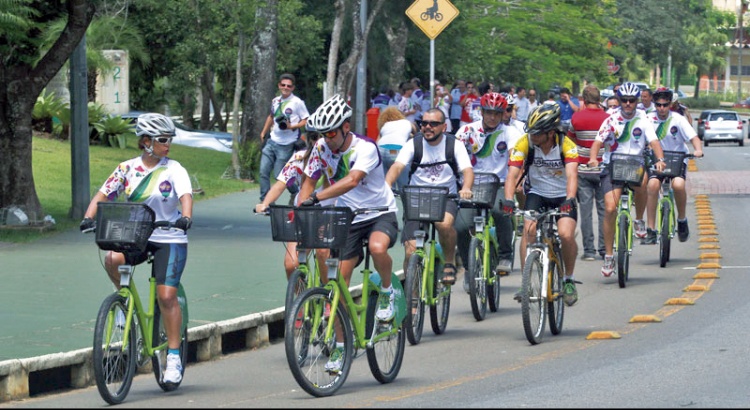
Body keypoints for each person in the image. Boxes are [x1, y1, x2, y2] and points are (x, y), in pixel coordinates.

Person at [79, 113, 193, 385]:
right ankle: (123, 302)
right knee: (112, 257)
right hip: (137, 236)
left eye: (169, 139)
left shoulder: (174, 169)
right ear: (146, 142)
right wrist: (88, 217)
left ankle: (174, 357)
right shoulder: (127, 168)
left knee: (167, 297)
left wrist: (185, 217)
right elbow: (104, 193)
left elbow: (185, 196)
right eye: (163, 140)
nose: (168, 144)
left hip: (170, 237)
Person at [298, 95, 400, 372]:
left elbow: (352, 180)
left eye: (331, 132)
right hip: (349, 219)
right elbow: (309, 181)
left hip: (379, 212)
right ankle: (342, 347)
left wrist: (317, 198)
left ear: (345, 127)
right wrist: (300, 214)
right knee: (336, 286)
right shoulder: (321, 148)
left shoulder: (364, 147)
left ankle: (389, 292)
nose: (327, 139)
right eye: (322, 134)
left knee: (378, 248)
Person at [502, 103, 581, 306]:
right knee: (528, 230)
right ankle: (526, 282)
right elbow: (511, 175)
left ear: (550, 132)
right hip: (537, 193)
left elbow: (572, 176)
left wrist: (570, 199)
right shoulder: (524, 143)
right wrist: (509, 200)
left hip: (563, 196)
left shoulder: (567, 146)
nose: (533, 136)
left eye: (538, 133)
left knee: (565, 234)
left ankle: (568, 279)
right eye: (532, 132)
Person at [385, 108, 474, 286]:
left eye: (433, 124)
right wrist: (386, 186)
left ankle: (449, 262)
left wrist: (466, 188)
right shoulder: (413, 144)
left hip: (446, 197)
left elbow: (467, 170)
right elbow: (397, 167)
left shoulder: (454, 144)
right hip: (417, 198)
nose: (427, 127)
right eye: (424, 123)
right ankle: (413, 299)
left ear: (444, 126)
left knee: (444, 224)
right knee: (410, 253)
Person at [587, 82, 667, 277]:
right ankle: (608, 256)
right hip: (612, 165)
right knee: (610, 208)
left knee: (644, 182)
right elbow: (597, 142)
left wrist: (660, 160)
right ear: (620, 101)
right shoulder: (611, 119)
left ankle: (639, 220)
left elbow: (654, 141)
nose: (628, 104)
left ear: (637, 101)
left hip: (635, 163)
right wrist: (592, 159)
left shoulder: (644, 119)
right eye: (625, 100)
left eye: (632, 100)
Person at [455, 92, 519, 292]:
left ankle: (505, 256)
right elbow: (454, 153)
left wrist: (514, 183)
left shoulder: (510, 133)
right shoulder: (466, 131)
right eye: (488, 112)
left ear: (503, 114)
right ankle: (468, 268)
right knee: (461, 227)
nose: (492, 117)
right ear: (481, 112)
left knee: (502, 212)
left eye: (497, 113)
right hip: (470, 186)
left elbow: (514, 158)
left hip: (498, 184)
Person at [255, 131, 331, 278]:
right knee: (291, 264)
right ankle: (300, 299)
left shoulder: (334, 158)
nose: (319, 142)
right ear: (307, 139)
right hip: (303, 212)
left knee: (323, 254)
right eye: (314, 137)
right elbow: (281, 184)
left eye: (323, 137)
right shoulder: (300, 158)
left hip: (328, 212)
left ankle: (327, 295)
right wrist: (265, 203)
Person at [642, 87, 704, 244]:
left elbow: (693, 137)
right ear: (654, 104)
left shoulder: (678, 119)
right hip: (657, 160)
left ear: (670, 104)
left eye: (665, 105)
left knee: (678, 184)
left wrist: (698, 150)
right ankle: (651, 229)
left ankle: (682, 219)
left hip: (677, 158)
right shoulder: (648, 118)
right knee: (653, 185)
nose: (661, 108)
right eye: (658, 105)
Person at [568, 84, 608, 261]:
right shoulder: (608, 118)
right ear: (599, 99)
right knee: (604, 210)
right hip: (603, 169)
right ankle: (603, 248)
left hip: (583, 169)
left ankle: (589, 251)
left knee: (585, 211)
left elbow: (570, 141)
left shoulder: (576, 118)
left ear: (584, 99)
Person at [258, 73, 310, 203]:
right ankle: (266, 202)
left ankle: (296, 191)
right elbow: (271, 116)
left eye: (289, 86)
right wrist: (264, 132)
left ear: (293, 88)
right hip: (272, 140)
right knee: (263, 171)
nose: (285, 87)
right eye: (283, 85)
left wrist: (291, 126)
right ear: (279, 85)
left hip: (287, 143)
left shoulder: (297, 102)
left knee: (279, 175)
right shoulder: (276, 101)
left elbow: (306, 120)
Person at [377, 106, 416, 192]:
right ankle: (405, 201)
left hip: (381, 150)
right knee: (404, 184)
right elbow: (416, 132)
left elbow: (378, 141)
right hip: (395, 149)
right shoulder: (406, 122)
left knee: (387, 183)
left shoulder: (385, 126)